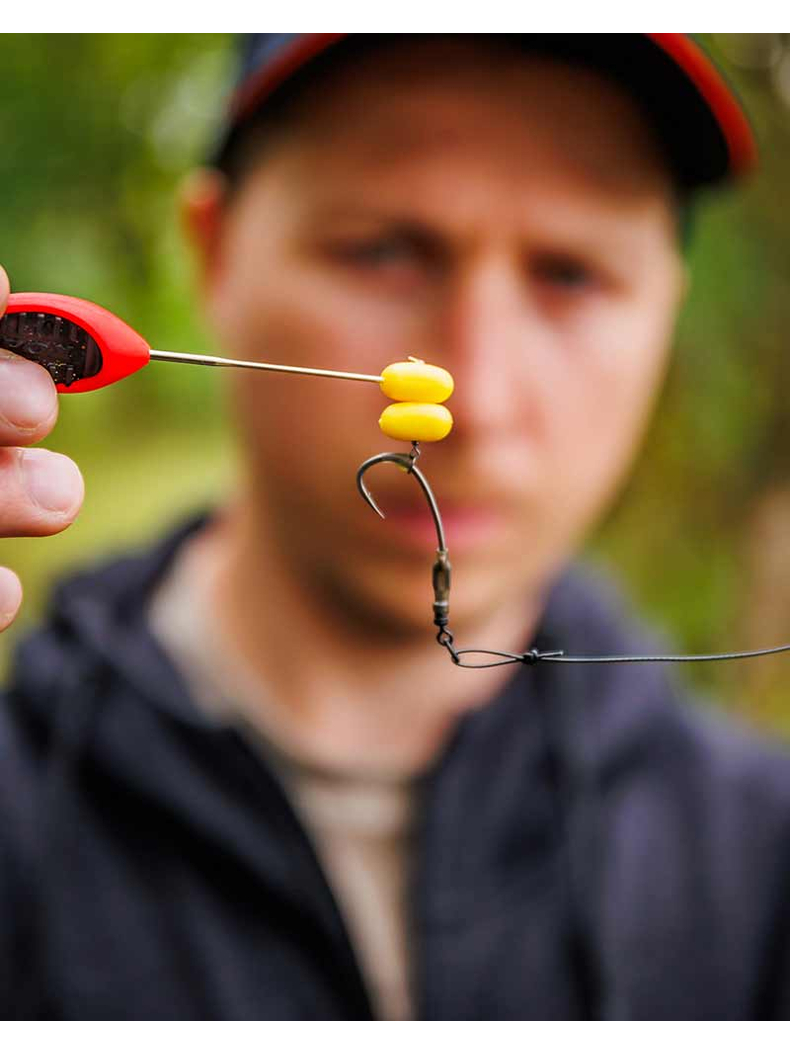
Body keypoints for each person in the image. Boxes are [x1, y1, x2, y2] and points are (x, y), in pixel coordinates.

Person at [1, 33, 789, 1021]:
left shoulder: (762, 867)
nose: (481, 397)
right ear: (217, 254)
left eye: (571, 273)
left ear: (666, 307)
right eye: (383, 250)